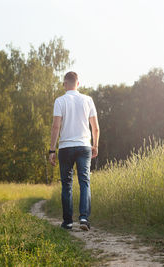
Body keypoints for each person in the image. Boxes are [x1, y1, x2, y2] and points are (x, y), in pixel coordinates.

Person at [49, 71, 100, 231]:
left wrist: (51, 150)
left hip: (65, 147)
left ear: (65, 84)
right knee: (85, 182)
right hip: (84, 146)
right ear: (78, 84)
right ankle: (84, 218)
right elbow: (95, 127)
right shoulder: (88, 100)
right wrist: (95, 145)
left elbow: (56, 126)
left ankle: (68, 221)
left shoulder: (60, 101)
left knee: (67, 185)